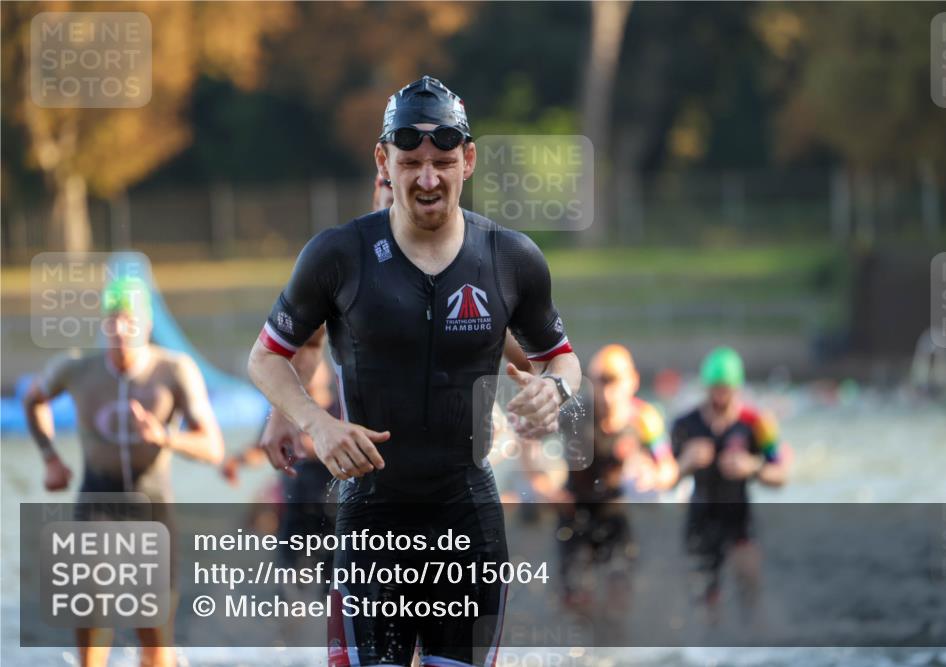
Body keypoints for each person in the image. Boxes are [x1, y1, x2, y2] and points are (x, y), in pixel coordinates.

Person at [247, 75, 581, 667]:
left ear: (468, 160)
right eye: (411, 163)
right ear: (384, 161)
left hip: (467, 517)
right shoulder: (338, 254)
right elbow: (268, 354)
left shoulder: (511, 258)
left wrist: (555, 389)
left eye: (443, 162)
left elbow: (560, 356)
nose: (428, 180)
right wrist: (313, 423)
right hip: (373, 516)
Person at [22, 276, 225, 667]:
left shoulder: (174, 371)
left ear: (146, 325)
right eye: (112, 320)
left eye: (129, 321)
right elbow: (34, 400)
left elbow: (213, 447)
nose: (120, 330)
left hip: (151, 504)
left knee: (154, 636)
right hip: (96, 500)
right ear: (103, 324)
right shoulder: (76, 369)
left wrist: (165, 438)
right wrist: (49, 456)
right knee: (90, 611)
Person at [553, 344, 677, 618]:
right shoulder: (574, 413)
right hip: (575, 514)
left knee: (618, 598)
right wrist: (543, 486)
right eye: (601, 382)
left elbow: (668, 468)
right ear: (590, 381)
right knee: (575, 601)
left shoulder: (645, 419)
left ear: (632, 382)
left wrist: (654, 478)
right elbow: (528, 440)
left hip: (617, 516)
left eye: (615, 383)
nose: (608, 394)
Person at [670, 346, 789, 620]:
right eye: (715, 388)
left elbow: (781, 475)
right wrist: (687, 462)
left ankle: (750, 645)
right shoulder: (685, 424)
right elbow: (664, 478)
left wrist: (753, 466)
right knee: (704, 601)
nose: (720, 396)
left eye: (726, 389)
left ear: (737, 387)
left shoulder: (758, 423)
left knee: (750, 585)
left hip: (739, 518)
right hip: (700, 517)